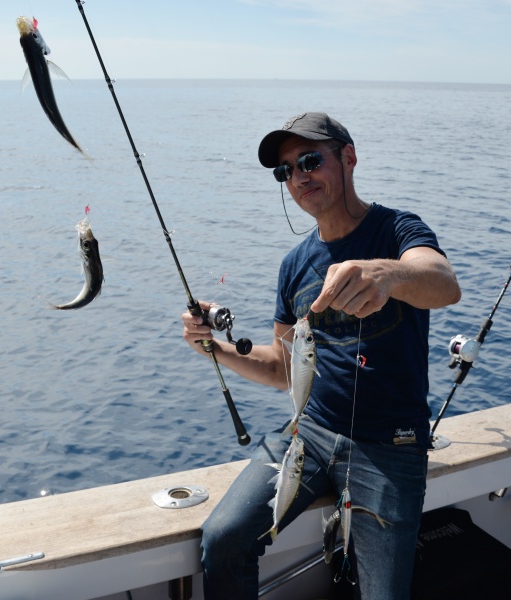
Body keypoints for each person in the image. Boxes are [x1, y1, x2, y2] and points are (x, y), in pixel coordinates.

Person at [182, 112, 461, 599]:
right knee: (223, 539)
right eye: (286, 170)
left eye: (310, 159)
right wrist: (216, 349)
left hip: (390, 445)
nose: (298, 176)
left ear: (348, 158)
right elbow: (284, 368)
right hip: (307, 434)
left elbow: (444, 284)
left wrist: (387, 275)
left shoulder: (398, 230)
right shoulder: (294, 265)